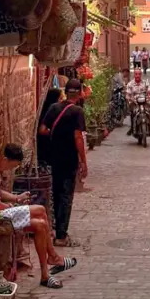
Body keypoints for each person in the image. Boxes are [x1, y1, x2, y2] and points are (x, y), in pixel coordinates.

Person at [0, 144, 74, 290]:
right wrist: (10, 206)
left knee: (40, 225)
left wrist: (16, 199)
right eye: (10, 166)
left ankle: (46, 274)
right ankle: (53, 257)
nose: (8, 170)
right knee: (40, 210)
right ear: (5, 159)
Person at [41, 79, 88, 248]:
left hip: (54, 157)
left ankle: (57, 228)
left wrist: (56, 136)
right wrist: (83, 161)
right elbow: (78, 137)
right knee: (66, 196)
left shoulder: (54, 108)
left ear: (66, 92)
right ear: (80, 92)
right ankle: (61, 235)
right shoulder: (77, 112)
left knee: (56, 192)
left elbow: (43, 130)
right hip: (69, 159)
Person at [126, 67, 150, 136]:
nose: (137, 75)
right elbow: (127, 94)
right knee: (133, 112)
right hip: (134, 102)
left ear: (141, 75)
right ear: (134, 75)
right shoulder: (130, 84)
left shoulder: (145, 83)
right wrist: (129, 98)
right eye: (136, 74)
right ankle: (132, 128)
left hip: (144, 101)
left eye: (139, 74)